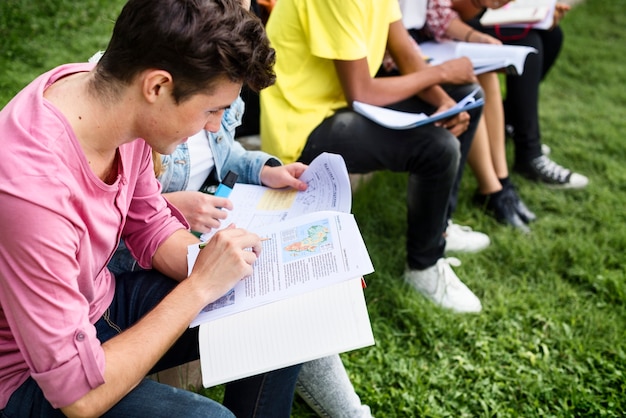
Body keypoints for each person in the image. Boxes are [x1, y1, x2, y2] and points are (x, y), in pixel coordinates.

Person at [0, 0, 302, 416]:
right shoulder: (32, 193)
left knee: (276, 312)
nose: (216, 127)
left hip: (97, 308)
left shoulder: (114, 104)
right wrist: (199, 287)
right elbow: (76, 396)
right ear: (157, 86)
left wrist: (263, 275)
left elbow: (151, 226)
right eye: (211, 110)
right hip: (25, 376)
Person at [108, 95, 374, 417]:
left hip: (199, 235)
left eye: (226, 109)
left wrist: (261, 169)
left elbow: (223, 153)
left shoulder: (213, 97)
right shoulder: (129, 120)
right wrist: (171, 207)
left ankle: (353, 412)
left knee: (287, 295)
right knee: (276, 301)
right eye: (212, 109)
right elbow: (125, 222)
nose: (216, 122)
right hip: (143, 264)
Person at [260, 0, 488, 313]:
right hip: (304, 125)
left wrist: (446, 101)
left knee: (468, 98)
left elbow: (406, 54)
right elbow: (361, 93)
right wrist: (442, 71)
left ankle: (440, 228)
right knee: (438, 147)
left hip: (343, 105)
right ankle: (424, 267)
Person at [395, 0, 536, 231]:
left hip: (420, 44)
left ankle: (501, 180)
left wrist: (475, 37)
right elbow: (393, 38)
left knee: (486, 72)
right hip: (401, 54)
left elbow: (436, 13)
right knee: (468, 87)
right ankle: (491, 189)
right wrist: (435, 70)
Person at [454, 0, 589, 189]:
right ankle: (529, 153)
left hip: (479, 15)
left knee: (552, 35)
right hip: (449, 23)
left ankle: (510, 123)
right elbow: (449, 10)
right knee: (528, 42)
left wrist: (541, 14)